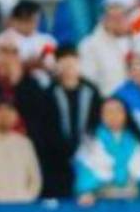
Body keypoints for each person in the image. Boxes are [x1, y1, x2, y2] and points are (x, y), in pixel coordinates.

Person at [74, 96, 140, 205]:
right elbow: (85, 171)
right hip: (100, 198)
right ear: (100, 116)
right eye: (108, 112)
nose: (113, 116)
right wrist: (85, 193)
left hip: (134, 198)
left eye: (118, 111)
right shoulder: (90, 141)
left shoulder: (138, 140)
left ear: (126, 114)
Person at [41, 46, 101, 198]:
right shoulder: (49, 93)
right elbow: (47, 128)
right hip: (57, 159)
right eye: (65, 64)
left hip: (88, 156)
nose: (69, 69)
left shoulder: (92, 92)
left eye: (73, 64)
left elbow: (96, 123)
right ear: (57, 66)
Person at [79, 0, 133, 95]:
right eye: (115, 18)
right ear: (103, 20)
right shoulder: (89, 45)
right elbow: (88, 80)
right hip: (107, 98)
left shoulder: (137, 41)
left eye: (123, 16)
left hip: (139, 100)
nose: (120, 22)